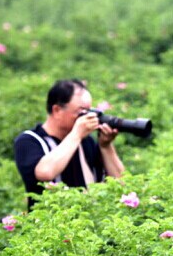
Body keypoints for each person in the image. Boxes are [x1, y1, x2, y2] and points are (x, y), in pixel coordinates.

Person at [14, 79, 125, 210]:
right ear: (57, 110)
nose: (87, 117)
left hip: (87, 224)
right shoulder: (29, 140)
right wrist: (76, 134)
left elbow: (121, 183)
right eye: (81, 111)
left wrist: (106, 146)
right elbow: (44, 172)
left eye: (89, 111)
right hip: (48, 226)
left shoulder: (86, 141)